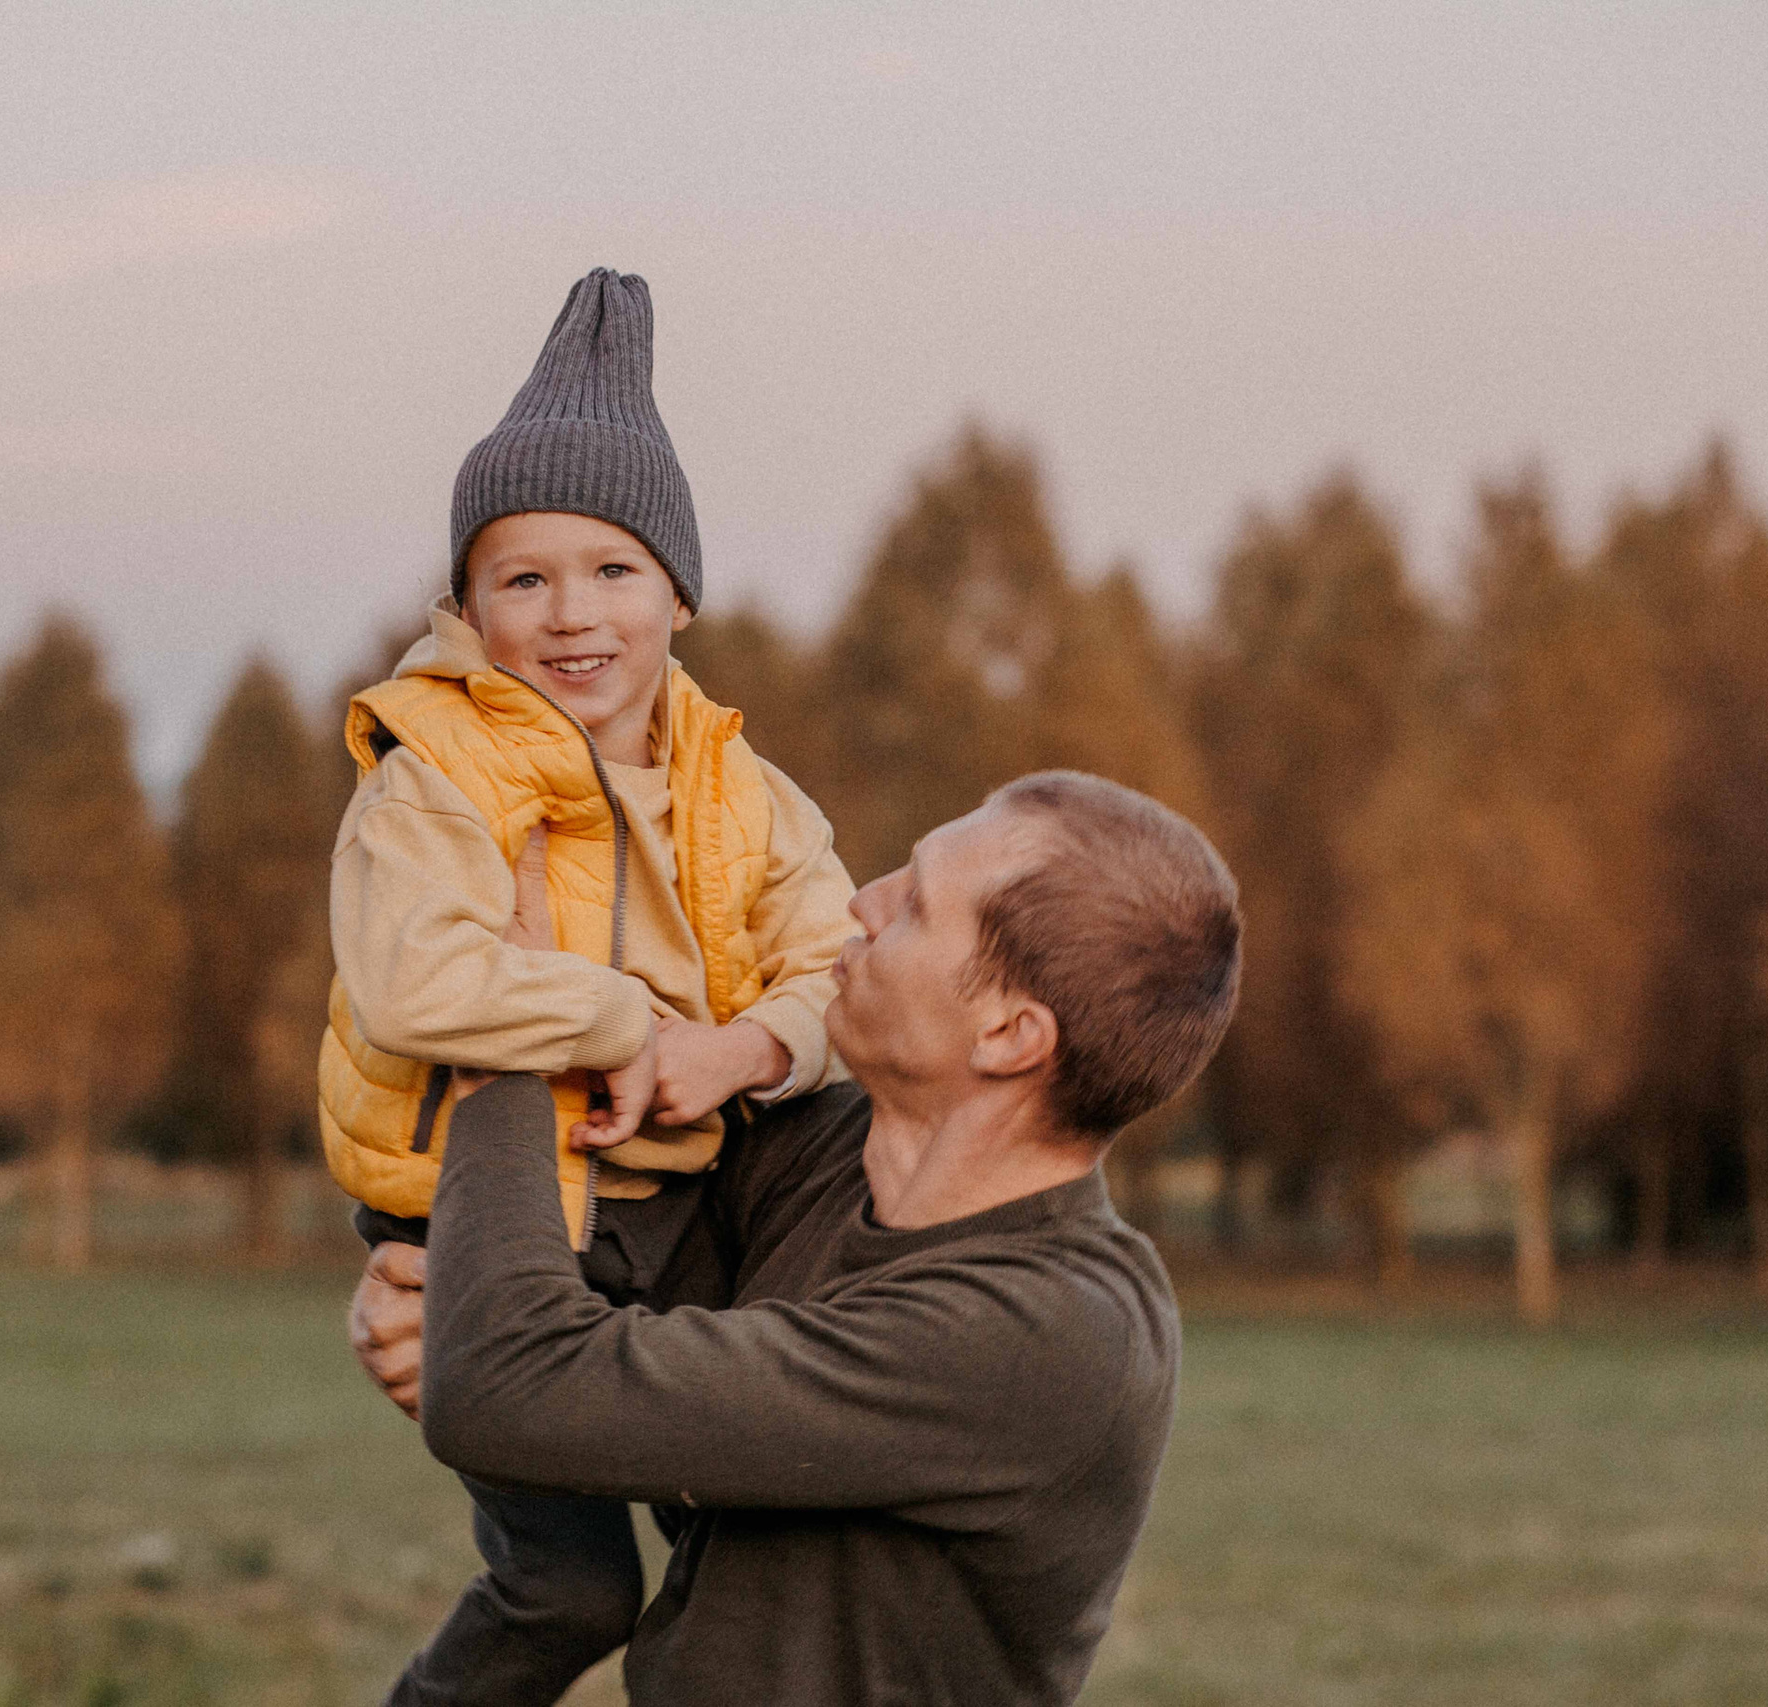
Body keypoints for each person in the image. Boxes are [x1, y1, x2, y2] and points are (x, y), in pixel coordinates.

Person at [352, 772, 1243, 1705]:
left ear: (1009, 1034)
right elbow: (553, 1286)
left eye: (916, 902)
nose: (865, 899)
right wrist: (421, 1282)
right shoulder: (824, 1156)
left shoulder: (1047, 1335)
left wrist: (502, 1020)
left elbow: (513, 1380)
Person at [321, 267, 858, 1703]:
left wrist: (738, 1053)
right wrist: (629, 1017)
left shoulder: (745, 789)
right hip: (484, 1214)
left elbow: (834, 969)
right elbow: (414, 983)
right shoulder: (434, 773)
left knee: (749, 1548)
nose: (573, 613)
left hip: (677, 1205)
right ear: (467, 601)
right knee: (568, 1585)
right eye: (524, 576)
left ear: (679, 591)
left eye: (614, 568)